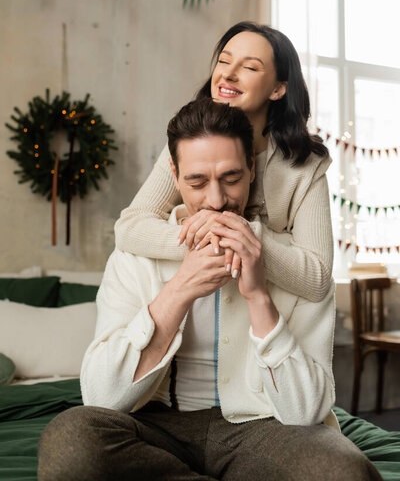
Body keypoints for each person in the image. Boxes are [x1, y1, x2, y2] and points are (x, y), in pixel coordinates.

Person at [38, 99, 381, 481]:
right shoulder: (135, 255)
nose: (216, 201)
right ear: (174, 173)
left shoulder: (299, 268)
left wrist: (258, 297)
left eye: (231, 178)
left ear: (252, 168)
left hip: (262, 430)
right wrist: (180, 289)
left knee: (343, 470)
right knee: (71, 439)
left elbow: (306, 412)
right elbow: (103, 398)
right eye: (197, 182)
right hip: (154, 429)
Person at [114, 21, 333, 303]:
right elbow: (129, 228)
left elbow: (317, 279)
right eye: (224, 61)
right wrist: (206, 236)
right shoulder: (189, 144)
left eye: (250, 67)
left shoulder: (306, 165)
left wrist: (246, 238)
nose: (228, 75)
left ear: (278, 89)